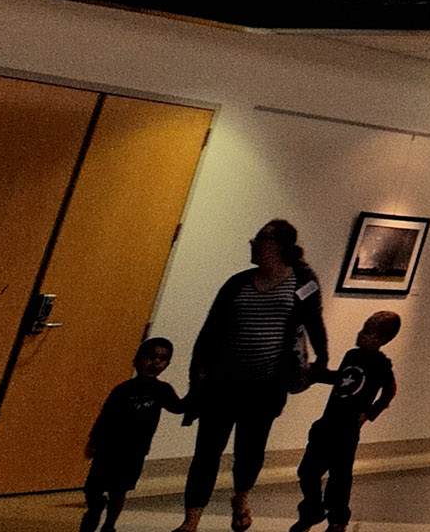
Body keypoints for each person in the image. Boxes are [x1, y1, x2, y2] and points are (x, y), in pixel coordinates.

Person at [180, 220, 328, 532]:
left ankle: (241, 496)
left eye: (259, 239)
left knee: (249, 450)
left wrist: (322, 360)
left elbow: (314, 321)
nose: (253, 244)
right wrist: (198, 373)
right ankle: (191, 520)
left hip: (266, 385)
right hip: (223, 383)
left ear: (279, 245)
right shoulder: (237, 283)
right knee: (207, 452)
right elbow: (211, 329)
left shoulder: (302, 281)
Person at [290, 311, 399, 532]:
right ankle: (312, 509)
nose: (360, 334)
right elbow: (341, 378)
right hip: (328, 422)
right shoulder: (351, 355)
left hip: (347, 428)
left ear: (380, 340)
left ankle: (338, 520)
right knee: (307, 471)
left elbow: (390, 389)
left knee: (339, 477)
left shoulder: (381, 364)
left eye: (367, 332)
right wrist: (316, 375)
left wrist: (369, 413)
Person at [82, 338, 182, 532]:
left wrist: (198, 390)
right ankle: (95, 508)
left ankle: (109, 525)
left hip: (135, 451)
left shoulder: (162, 390)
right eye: (150, 357)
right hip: (109, 448)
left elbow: (177, 407)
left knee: (119, 490)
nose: (155, 363)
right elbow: (106, 416)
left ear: (167, 364)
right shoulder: (123, 390)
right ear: (137, 360)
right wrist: (94, 441)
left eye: (162, 359)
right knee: (93, 488)